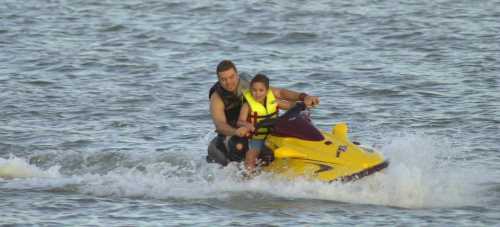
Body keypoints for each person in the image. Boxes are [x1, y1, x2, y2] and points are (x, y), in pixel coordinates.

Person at [209, 60, 319, 163]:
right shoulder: (217, 97)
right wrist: (236, 131)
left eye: (231, 77)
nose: (228, 82)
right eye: (223, 79)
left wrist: (304, 97)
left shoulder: (249, 84)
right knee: (239, 146)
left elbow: (279, 93)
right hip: (234, 131)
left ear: (237, 74)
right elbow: (220, 125)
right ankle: (246, 177)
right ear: (219, 80)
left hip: (259, 127)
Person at [237, 74, 294, 173]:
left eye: (261, 90)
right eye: (254, 90)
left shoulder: (274, 101)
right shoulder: (247, 105)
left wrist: (302, 104)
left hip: (274, 136)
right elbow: (240, 121)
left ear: (267, 91)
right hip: (257, 137)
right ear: (250, 90)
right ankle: (248, 178)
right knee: (250, 155)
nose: (257, 93)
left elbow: (291, 106)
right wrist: (248, 125)